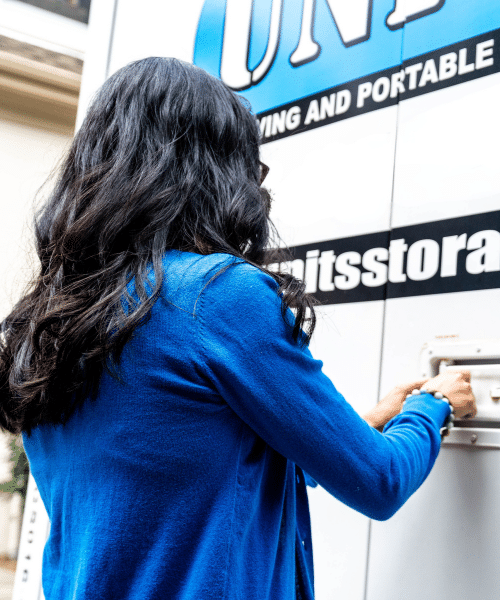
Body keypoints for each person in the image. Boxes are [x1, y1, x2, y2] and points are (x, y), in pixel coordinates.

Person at [0, 57, 475, 600]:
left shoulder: (47, 319)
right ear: (215, 171)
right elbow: (379, 480)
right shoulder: (216, 295)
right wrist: (432, 407)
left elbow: (187, 468)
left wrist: (363, 422)